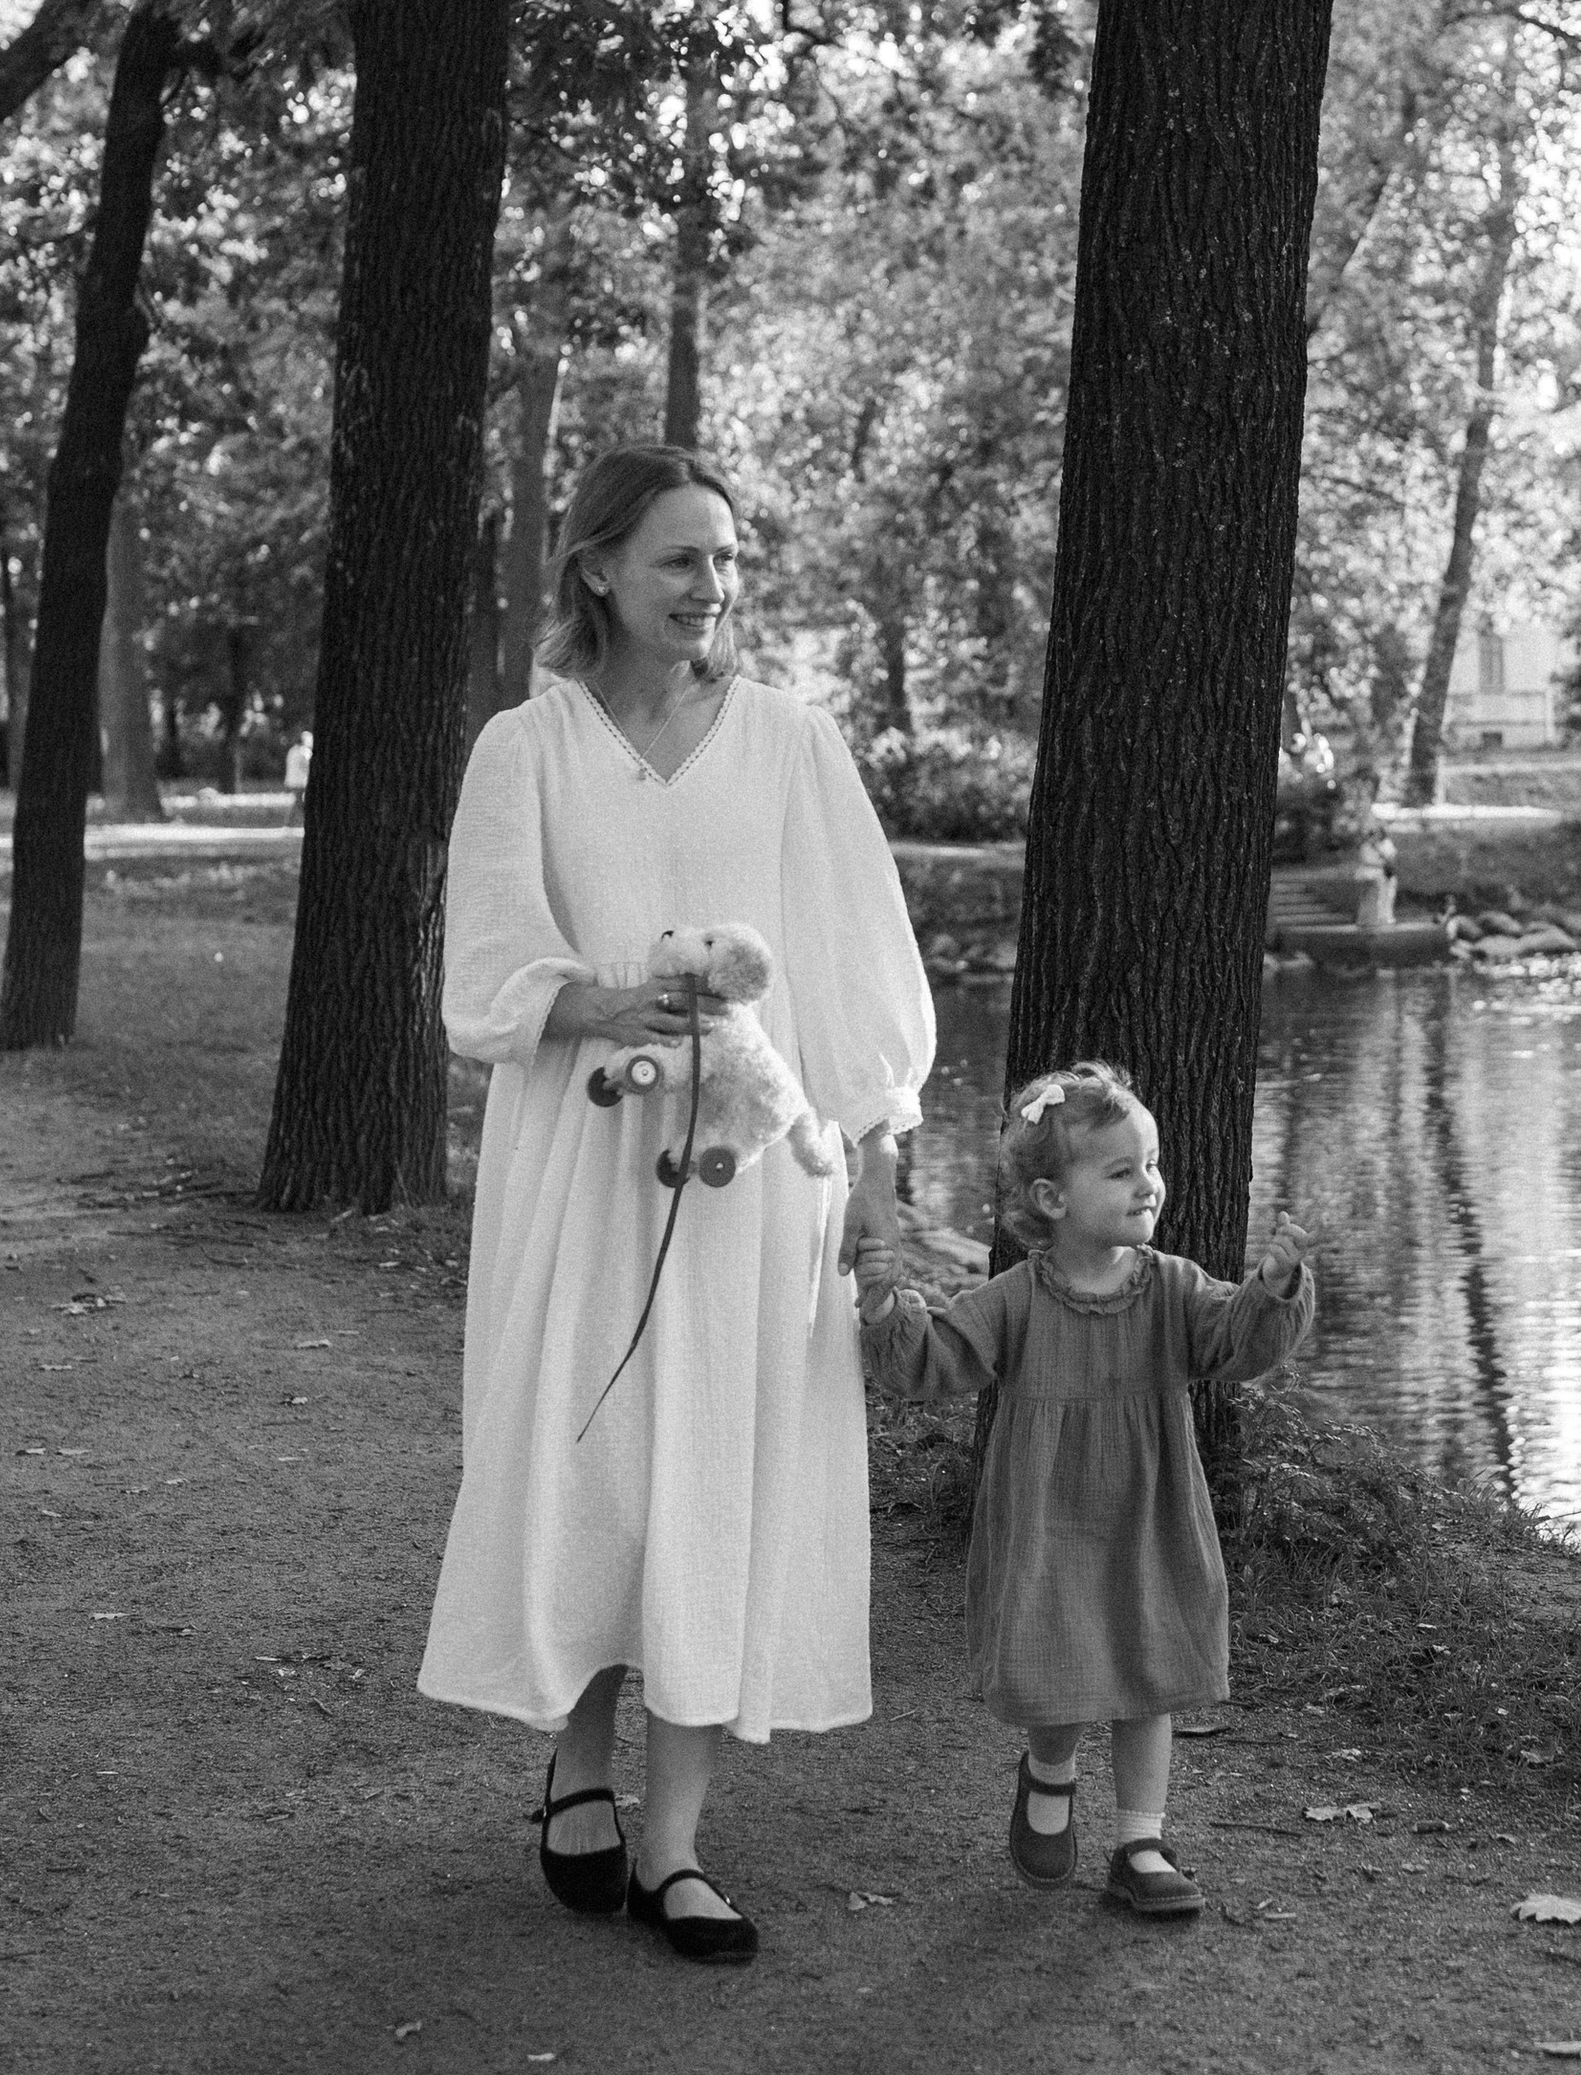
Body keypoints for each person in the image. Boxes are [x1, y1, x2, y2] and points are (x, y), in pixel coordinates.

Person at [418, 441, 933, 1968]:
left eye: (728, 560)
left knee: (720, 1471)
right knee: (597, 1465)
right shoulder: (530, 745)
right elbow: (490, 966)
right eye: (682, 559)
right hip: (580, 1166)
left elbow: (849, 959)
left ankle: (681, 1841)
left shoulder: (790, 741)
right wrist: (606, 999)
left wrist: (878, 1169)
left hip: (756, 1181)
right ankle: (575, 1761)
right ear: (599, 569)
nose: (714, 587)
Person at [854, 1060, 1314, 1918]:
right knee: (1060, 1665)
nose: (1150, 1185)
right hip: (1049, 1518)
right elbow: (939, 1359)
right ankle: (1051, 1768)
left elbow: (1234, 1343)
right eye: (1121, 1170)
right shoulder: (1016, 1299)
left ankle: (1141, 1840)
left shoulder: (1173, 1285)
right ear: (1052, 1198)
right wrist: (888, 1311)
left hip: (1150, 1515)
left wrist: (1273, 1288)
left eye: (1152, 1164)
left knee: (1151, 1673)